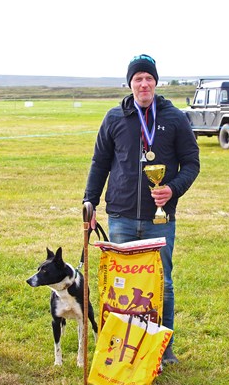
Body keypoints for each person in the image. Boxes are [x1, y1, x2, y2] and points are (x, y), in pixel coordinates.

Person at [84, 54, 200, 366]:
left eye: (149, 78)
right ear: (130, 84)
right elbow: (100, 163)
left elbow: (192, 163)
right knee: (123, 283)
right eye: (138, 79)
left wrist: (172, 188)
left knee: (163, 284)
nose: (144, 84)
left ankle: (164, 346)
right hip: (120, 217)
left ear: (156, 82)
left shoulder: (174, 118)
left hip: (158, 220)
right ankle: (125, 342)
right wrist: (89, 201)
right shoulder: (114, 118)